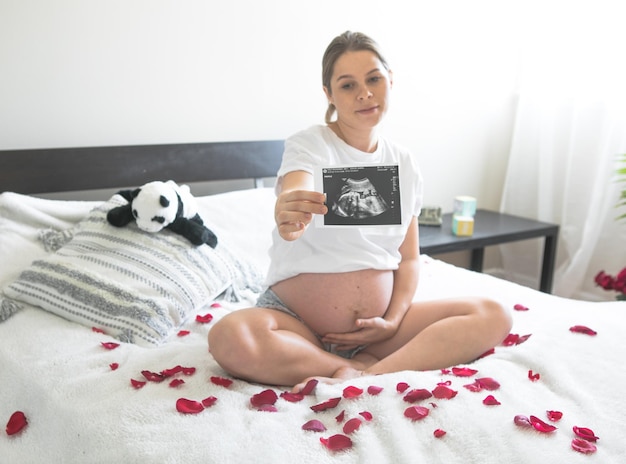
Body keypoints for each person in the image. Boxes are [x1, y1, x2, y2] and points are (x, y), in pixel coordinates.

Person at [208, 31, 512, 391]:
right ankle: (342, 367)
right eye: (348, 85)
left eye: (373, 79)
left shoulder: (405, 163)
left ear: (390, 80)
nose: (364, 93)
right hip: (296, 324)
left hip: (378, 332)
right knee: (230, 335)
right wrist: (290, 212)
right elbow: (297, 184)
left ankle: (368, 373)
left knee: (494, 314)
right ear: (330, 95)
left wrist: (394, 320)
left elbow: (409, 259)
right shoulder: (310, 144)